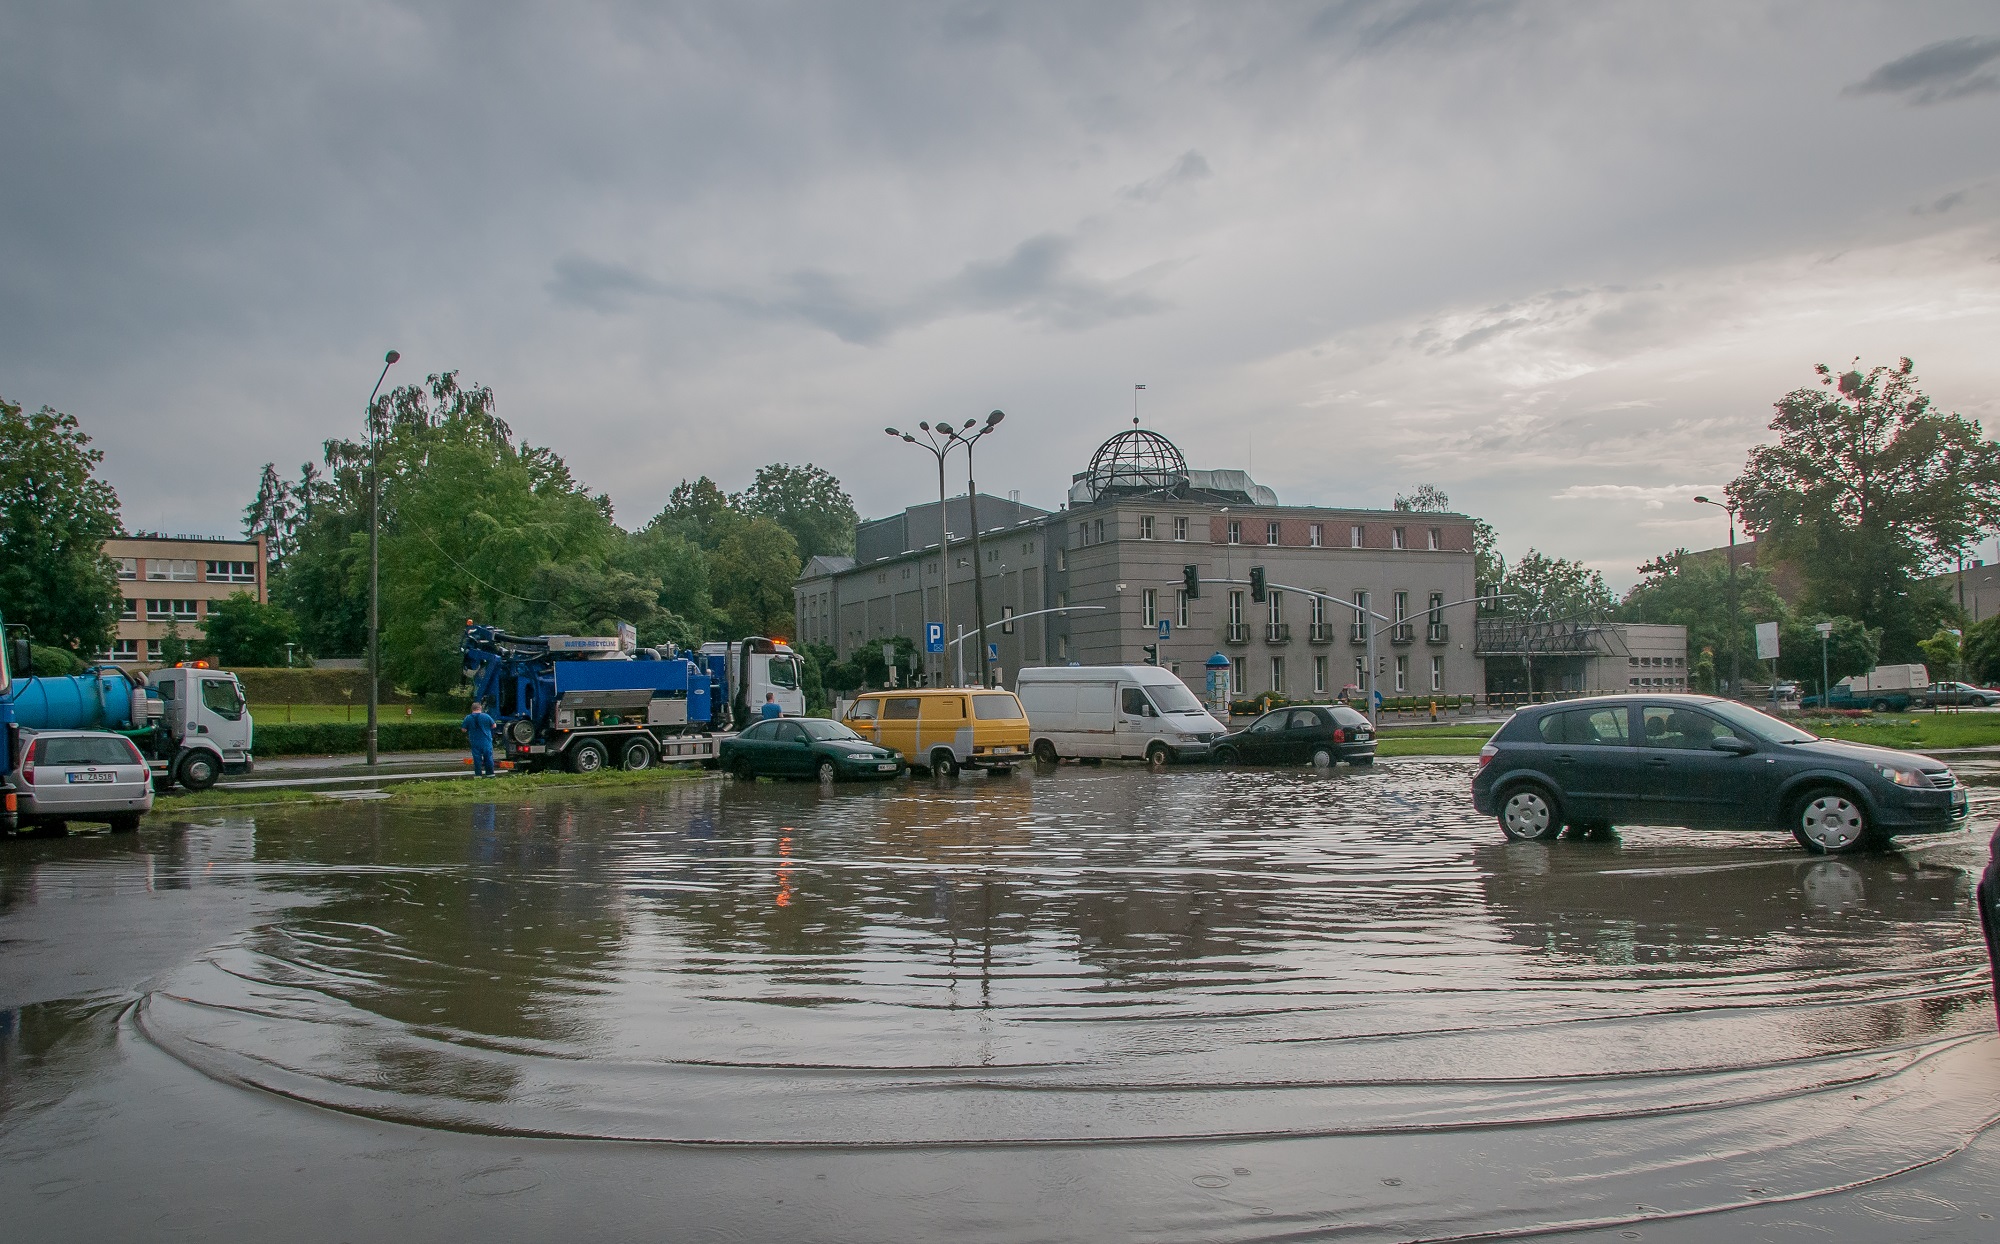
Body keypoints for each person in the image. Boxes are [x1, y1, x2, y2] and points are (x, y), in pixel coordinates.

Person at [462, 699, 496, 776]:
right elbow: (494, 725)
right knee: (488, 758)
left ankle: (478, 775)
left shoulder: (468, 718)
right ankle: (490, 774)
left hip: (474, 741)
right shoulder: (486, 716)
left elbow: (463, 729)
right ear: (480, 708)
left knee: (477, 759)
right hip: (486, 740)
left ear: (472, 709)